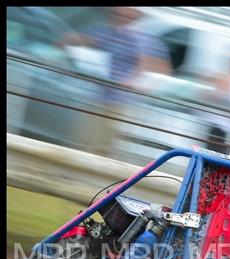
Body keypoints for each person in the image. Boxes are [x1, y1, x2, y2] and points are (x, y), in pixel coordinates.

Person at [60, 7, 171, 155]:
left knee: (105, 145)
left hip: (122, 102)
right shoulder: (103, 32)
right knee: (82, 139)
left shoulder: (144, 39)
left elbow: (157, 67)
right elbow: (72, 42)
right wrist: (75, 41)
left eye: (126, 13)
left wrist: (130, 82)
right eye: (117, 13)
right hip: (98, 96)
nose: (120, 15)